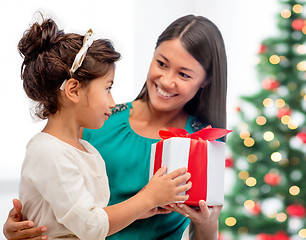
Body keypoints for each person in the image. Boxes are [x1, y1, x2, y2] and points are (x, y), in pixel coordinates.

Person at [4, 14, 227, 240]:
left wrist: (209, 225)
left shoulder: (201, 145)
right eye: (161, 63)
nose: (167, 80)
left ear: (205, 80)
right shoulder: (96, 120)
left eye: (184, 74)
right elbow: (53, 198)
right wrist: (20, 227)